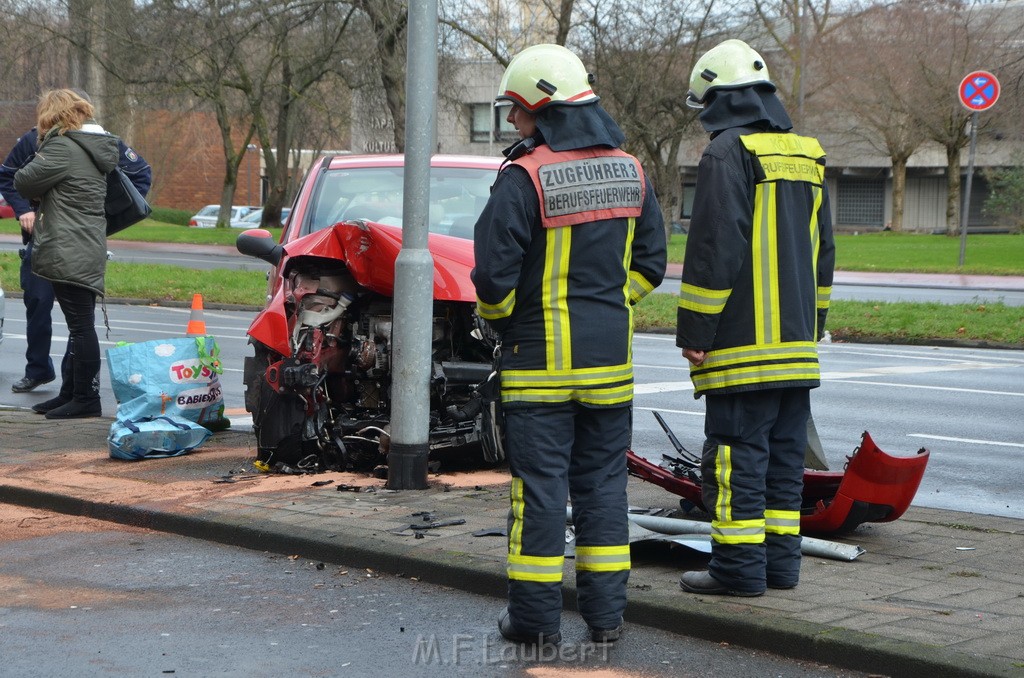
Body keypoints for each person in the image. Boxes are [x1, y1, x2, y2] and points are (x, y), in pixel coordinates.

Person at [472, 44, 667, 645]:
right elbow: (651, 265)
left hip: (540, 373)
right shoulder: (631, 169)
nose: (510, 121)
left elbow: (492, 282)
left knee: (539, 496)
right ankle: (607, 620)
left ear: (543, 107)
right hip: (610, 370)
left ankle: (533, 623)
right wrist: (610, 307)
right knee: (605, 490)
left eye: (516, 109)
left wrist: (507, 324)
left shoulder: (522, 177)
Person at [675, 39, 835, 596]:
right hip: (796, 348)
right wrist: (813, 326)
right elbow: (824, 252)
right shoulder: (807, 152)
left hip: (742, 348)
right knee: (784, 468)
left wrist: (695, 332)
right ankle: (780, 568)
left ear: (716, 99)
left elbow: (715, 247)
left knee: (736, 463)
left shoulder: (727, 153)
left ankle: (738, 573)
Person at [0, 90, 151, 405]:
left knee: (80, 325)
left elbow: (23, 180)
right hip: (68, 241)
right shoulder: (88, 145)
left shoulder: (65, 146)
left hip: (64, 242)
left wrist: (106, 213)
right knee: (55, 312)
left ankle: (82, 397)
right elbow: (9, 177)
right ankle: (61, 385)